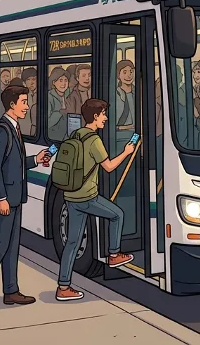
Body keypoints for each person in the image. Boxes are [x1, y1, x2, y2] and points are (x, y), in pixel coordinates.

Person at [0, 85, 51, 313]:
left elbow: (14, 163)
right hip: (5, 198)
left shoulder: (14, 128)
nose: (27, 106)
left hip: (15, 197)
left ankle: (11, 290)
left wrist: (36, 159)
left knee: (12, 245)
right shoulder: (1, 131)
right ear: (12, 104)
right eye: (24, 101)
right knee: (0, 244)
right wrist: (1, 198)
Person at [56, 99, 135, 301]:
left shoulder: (76, 134)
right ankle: (114, 254)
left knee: (72, 242)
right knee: (117, 214)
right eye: (103, 115)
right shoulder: (94, 141)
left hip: (71, 195)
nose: (106, 118)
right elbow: (108, 167)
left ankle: (63, 286)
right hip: (87, 197)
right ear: (95, 117)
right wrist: (126, 152)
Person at [47, 67, 71, 140]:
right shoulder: (49, 97)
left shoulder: (70, 94)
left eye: (65, 80)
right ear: (54, 82)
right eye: (60, 80)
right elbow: (47, 122)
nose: (63, 84)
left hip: (68, 135)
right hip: (53, 136)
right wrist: (60, 112)